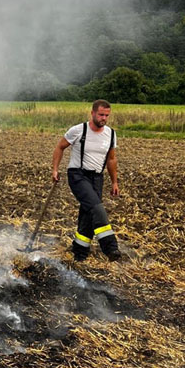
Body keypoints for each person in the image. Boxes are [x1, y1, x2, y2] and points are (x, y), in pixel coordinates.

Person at [52, 99, 122, 262]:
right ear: (92, 113)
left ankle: (80, 251)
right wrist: (55, 169)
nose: (104, 118)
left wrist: (114, 182)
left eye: (107, 115)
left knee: (88, 214)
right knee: (97, 208)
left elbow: (111, 159)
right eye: (101, 115)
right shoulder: (78, 130)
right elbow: (60, 147)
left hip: (97, 178)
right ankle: (110, 247)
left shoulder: (111, 134)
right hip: (78, 175)